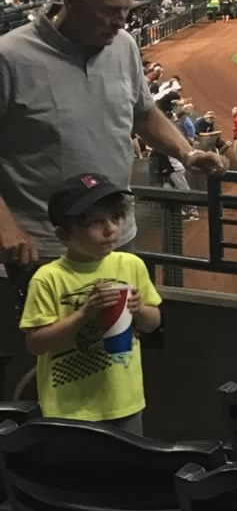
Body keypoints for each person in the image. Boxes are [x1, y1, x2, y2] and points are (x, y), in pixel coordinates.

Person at [0, 0, 226, 264]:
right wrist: (4, 224)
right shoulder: (9, 57)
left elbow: (144, 113)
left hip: (116, 236)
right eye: (109, 11)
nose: (121, 22)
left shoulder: (123, 45)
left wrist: (188, 153)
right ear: (72, 2)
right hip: (43, 247)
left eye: (127, 11)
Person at [20, 174, 162, 431]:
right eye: (96, 223)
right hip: (67, 410)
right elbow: (36, 344)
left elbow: (153, 324)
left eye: (115, 218)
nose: (111, 229)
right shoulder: (48, 278)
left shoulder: (131, 265)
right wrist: (84, 313)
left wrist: (140, 309)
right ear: (64, 235)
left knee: (127, 457)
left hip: (124, 403)